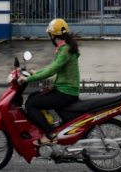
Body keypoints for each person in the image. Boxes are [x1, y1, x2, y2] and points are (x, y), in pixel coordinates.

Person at [17, 18, 80, 146]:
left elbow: (52, 70)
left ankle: (50, 134)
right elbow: (52, 67)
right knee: (33, 96)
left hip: (66, 92)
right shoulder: (64, 48)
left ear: (53, 35)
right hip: (64, 89)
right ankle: (47, 125)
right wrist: (37, 72)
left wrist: (28, 79)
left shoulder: (65, 50)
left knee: (30, 104)